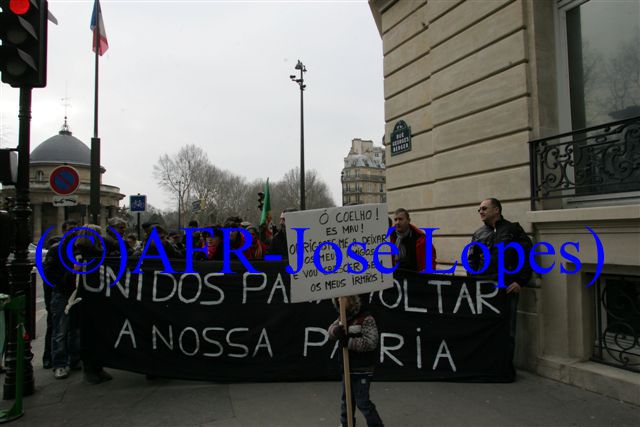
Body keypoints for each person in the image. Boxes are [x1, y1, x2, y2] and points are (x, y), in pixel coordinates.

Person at [467, 198, 532, 368]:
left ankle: (503, 366)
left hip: (507, 288)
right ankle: (485, 363)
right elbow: (471, 260)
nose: (480, 211)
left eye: (484, 208)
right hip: (483, 288)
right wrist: (472, 282)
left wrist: (521, 281)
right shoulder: (478, 234)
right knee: (484, 326)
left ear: (496, 210)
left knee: (507, 329)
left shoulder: (513, 230)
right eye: (479, 209)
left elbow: (527, 256)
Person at [328, 295, 384, 427]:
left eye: (343, 298)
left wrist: (349, 342)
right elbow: (329, 332)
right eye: (337, 299)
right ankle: (346, 423)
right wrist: (335, 331)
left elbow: (371, 342)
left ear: (351, 299)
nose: (339, 300)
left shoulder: (366, 318)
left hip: (362, 369)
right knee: (346, 401)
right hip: (347, 368)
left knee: (362, 402)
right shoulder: (342, 317)